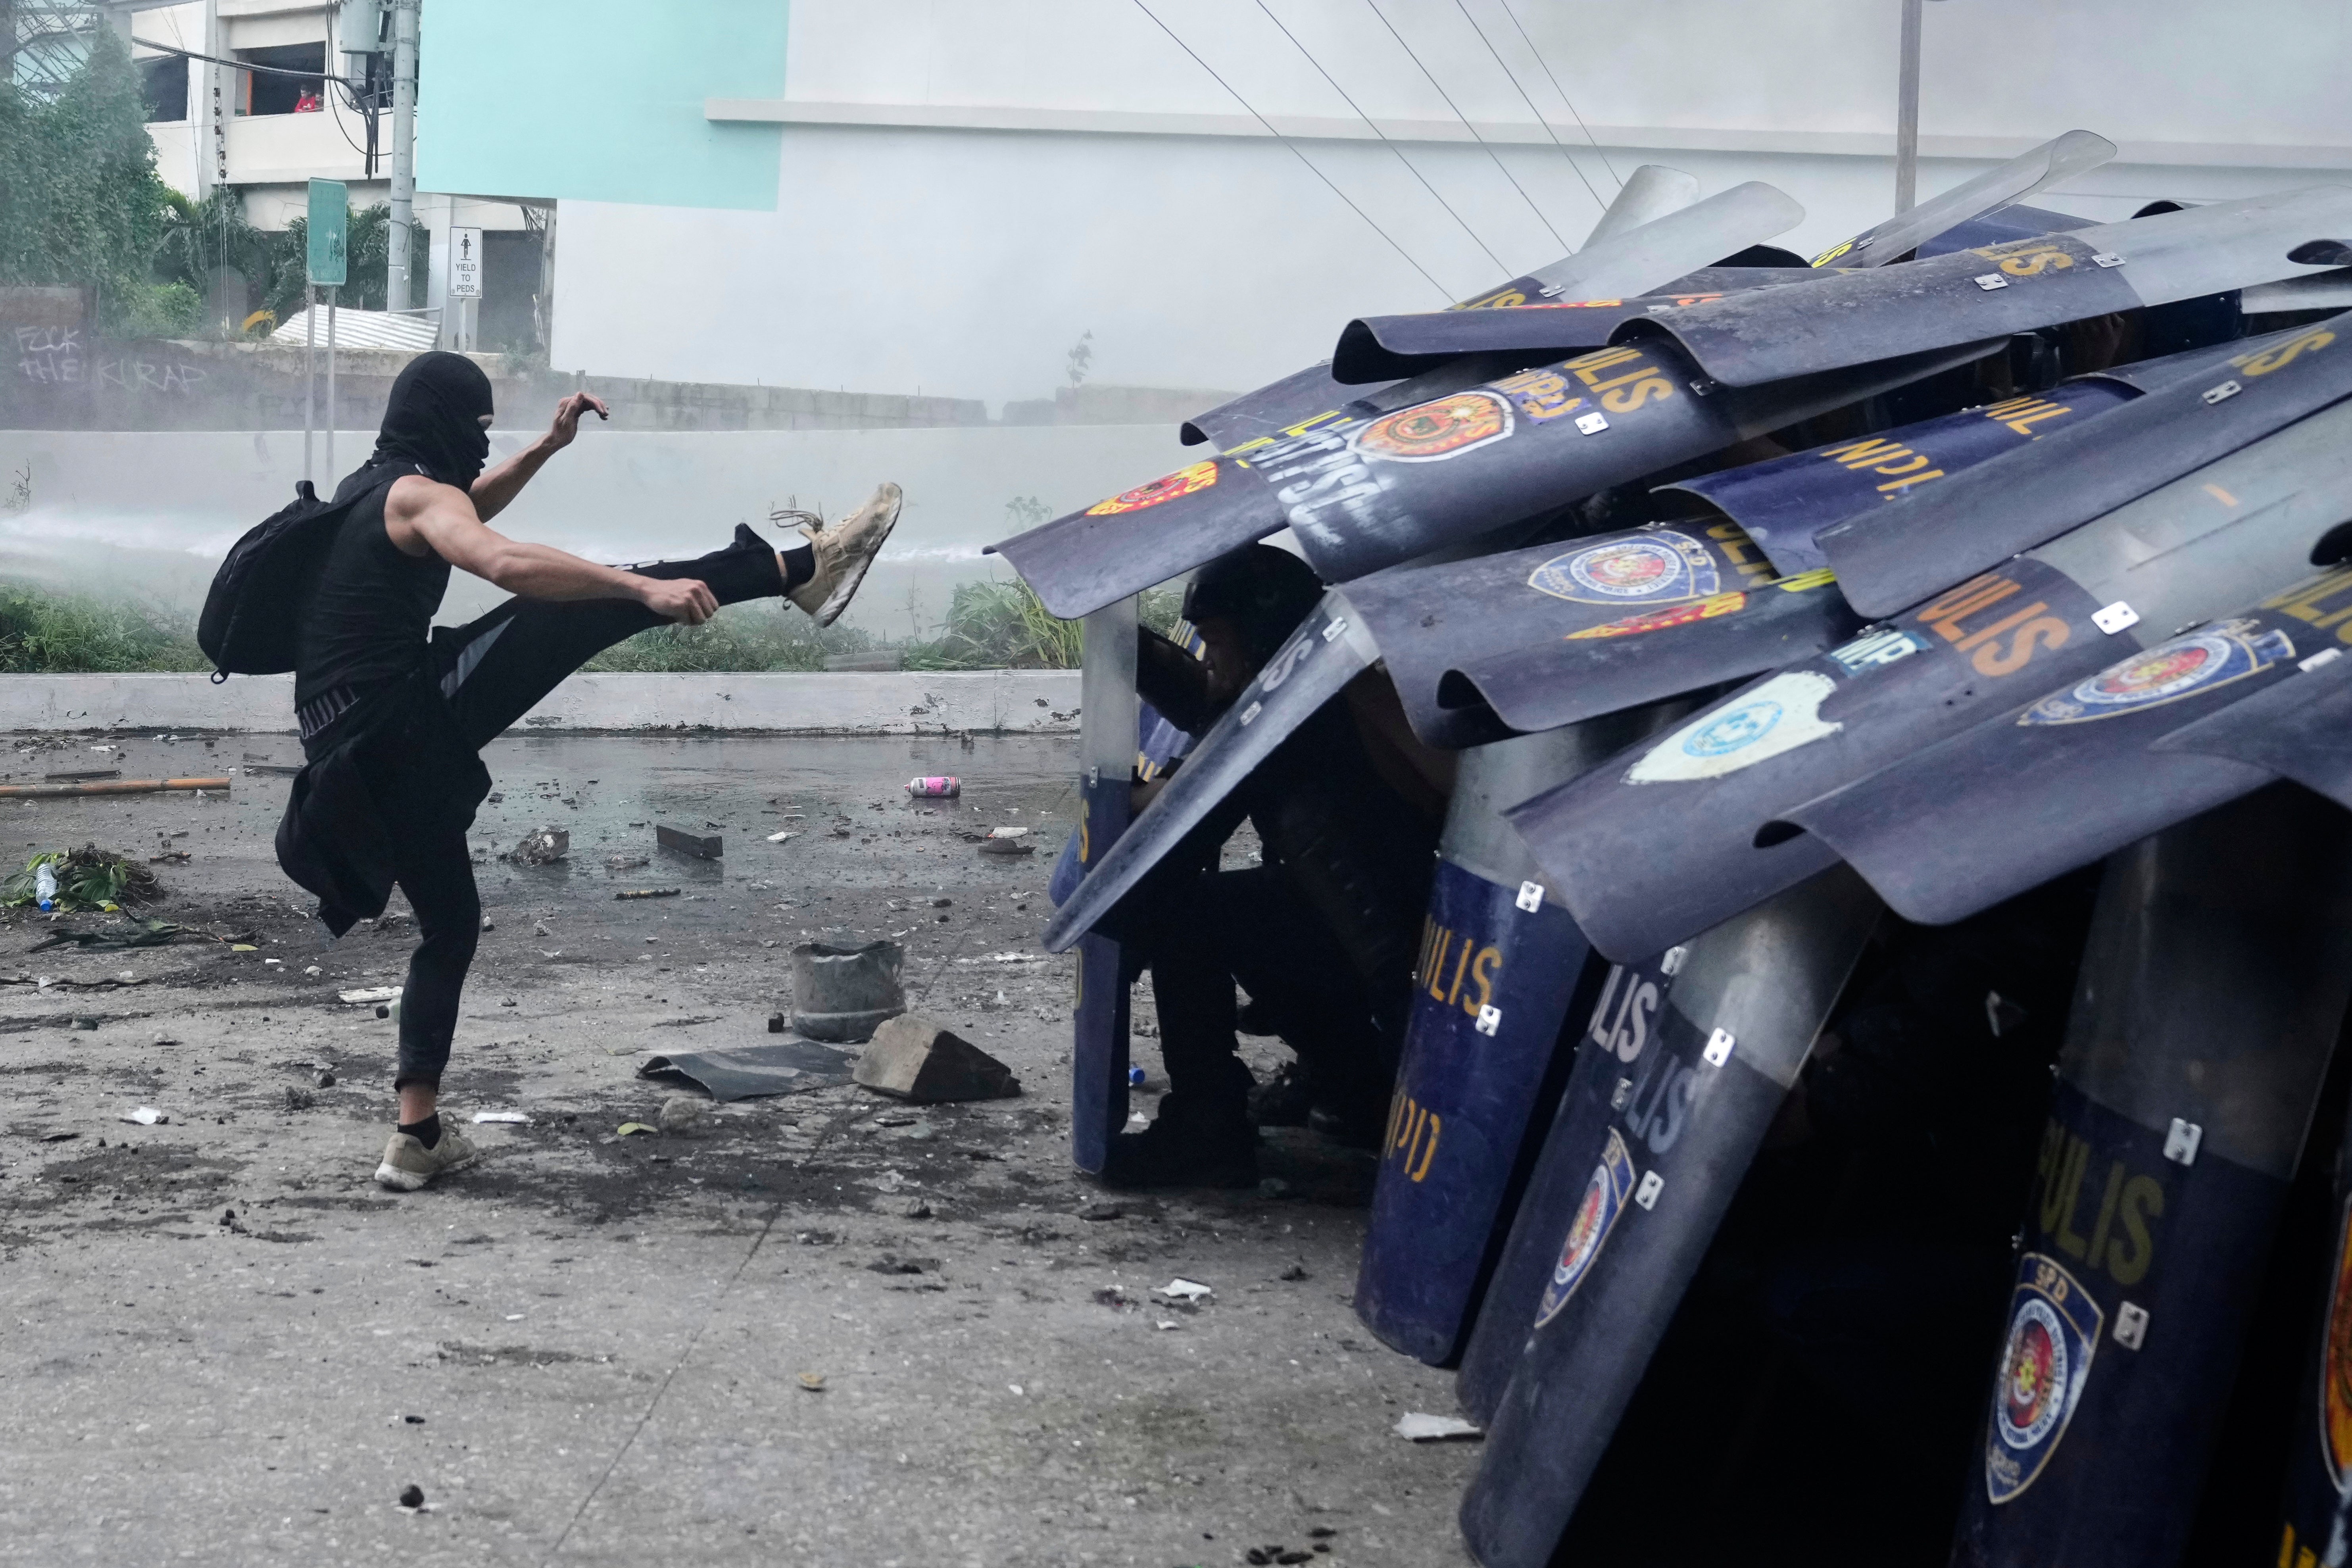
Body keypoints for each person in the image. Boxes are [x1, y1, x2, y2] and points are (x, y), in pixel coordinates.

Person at [276, 352, 899, 1191]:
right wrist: (637, 589)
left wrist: (545, 448)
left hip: (345, 765)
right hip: (395, 725)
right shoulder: (416, 495)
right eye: (481, 429)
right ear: (447, 421)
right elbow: (497, 558)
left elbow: (466, 510)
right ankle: (802, 569)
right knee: (576, 605)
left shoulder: (375, 488)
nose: (480, 445)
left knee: (451, 925)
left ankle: (415, 1135)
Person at [1098, 544, 1447, 1188]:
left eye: (1216, 642)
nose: (1209, 660)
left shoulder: (1299, 719)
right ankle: (1338, 1082)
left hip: (1395, 1000)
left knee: (1190, 912)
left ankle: (1207, 1126)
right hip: (1388, 979)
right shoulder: (1328, 692)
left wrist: (1118, 794)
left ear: (1258, 638)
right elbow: (1205, 706)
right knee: (1269, 901)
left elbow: (1172, 811)